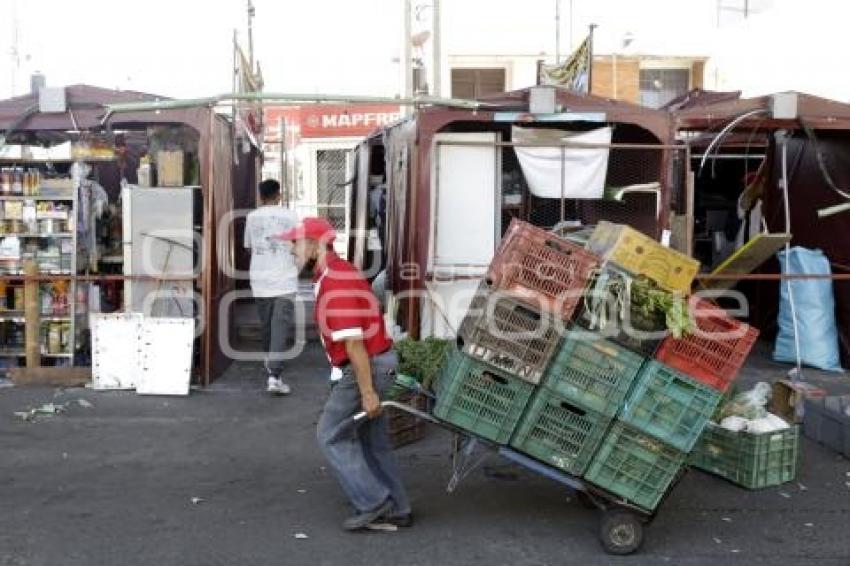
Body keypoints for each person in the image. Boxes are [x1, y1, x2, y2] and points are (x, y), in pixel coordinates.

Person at [275, 217, 412, 531]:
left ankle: (375, 502)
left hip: (367, 366)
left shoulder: (335, 279)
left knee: (329, 435)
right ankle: (398, 507)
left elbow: (354, 343)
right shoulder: (334, 273)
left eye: (294, 244)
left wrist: (367, 391)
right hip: (376, 362)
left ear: (314, 245)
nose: (291, 251)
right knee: (372, 442)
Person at [244, 179, 298, 395]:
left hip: (259, 279)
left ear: (260, 196)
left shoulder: (251, 217)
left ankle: (270, 363)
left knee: (267, 325)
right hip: (284, 279)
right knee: (279, 327)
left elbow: (248, 248)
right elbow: (298, 245)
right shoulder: (291, 216)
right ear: (279, 194)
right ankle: (274, 376)